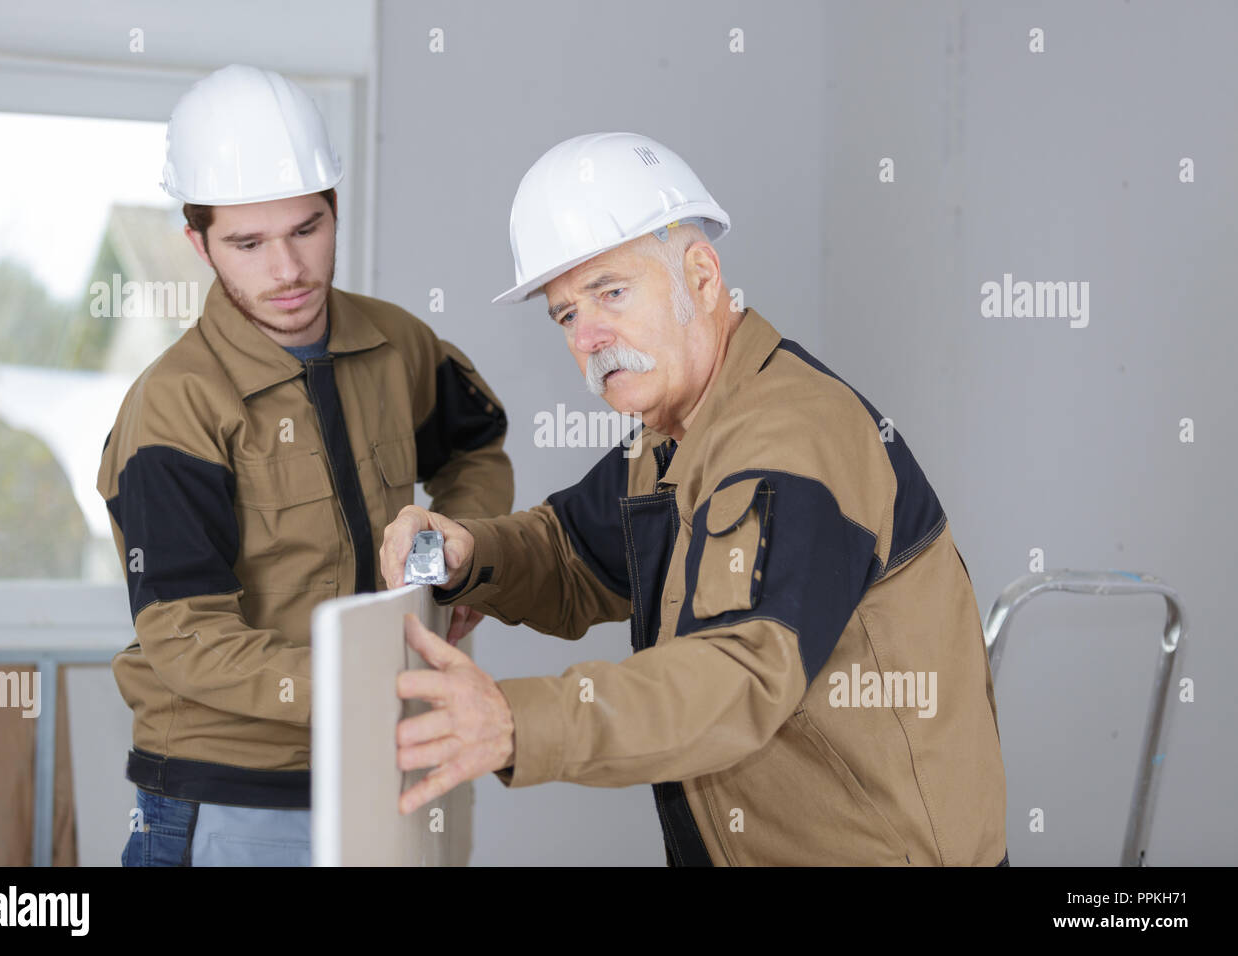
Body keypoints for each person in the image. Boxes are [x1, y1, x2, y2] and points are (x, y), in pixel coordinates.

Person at [380, 132, 1007, 866]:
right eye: (565, 315)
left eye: (611, 292)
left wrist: (519, 722)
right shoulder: (674, 435)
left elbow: (736, 673)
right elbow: (574, 552)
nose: (590, 337)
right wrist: (470, 552)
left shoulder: (792, 439)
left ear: (702, 279)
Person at [96, 64, 513, 866]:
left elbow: (474, 448)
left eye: (306, 229)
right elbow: (186, 637)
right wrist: (374, 682)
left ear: (333, 208)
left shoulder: (396, 344)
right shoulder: (174, 406)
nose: (287, 270)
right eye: (247, 244)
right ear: (198, 243)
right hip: (231, 796)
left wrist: (456, 552)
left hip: (387, 765)